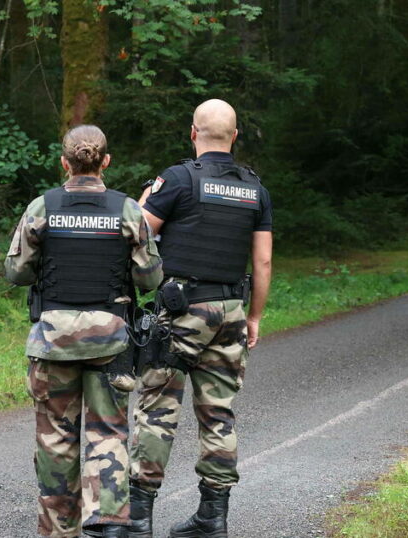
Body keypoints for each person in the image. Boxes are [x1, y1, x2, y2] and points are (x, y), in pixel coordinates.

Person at [5, 125, 163, 538]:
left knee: (56, 442)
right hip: (109, 341)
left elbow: (16, 271)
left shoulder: (43, 206)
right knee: (107, 432)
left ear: (65, 162)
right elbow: (150, 279)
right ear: (105, 161)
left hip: (52, 341)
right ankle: (108, 526)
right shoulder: (127, 210)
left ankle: (60, 531)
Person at [128, 99, 273, 538]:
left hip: (181, 311)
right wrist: (255, 317)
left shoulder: (176, 180)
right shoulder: (255, 188)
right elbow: (262, 263)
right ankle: (213, 517)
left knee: (157, 411)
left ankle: (137, 519)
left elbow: (135, 230)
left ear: (193, 133)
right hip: (230, 311)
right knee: (219, 413)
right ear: (234, 136)